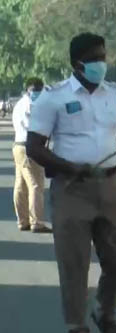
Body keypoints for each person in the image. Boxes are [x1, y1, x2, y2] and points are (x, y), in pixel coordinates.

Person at [26, 32, 116, 333]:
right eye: (94, 59)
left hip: (112, 187)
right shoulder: (53, 98)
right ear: (77, 63)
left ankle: (105, 311)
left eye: (103, 57)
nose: (100, 64)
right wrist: (69, 167)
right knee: (74, 265)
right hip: (71, 189)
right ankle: (77, 331)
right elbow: (34, 147)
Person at [11, 77, 51, 233]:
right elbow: (36, 128)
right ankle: (37, 222)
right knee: (35, 185)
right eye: (37, 90)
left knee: (20, 184)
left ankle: (23, 221)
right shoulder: (32, 105)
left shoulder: (20, 104)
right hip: (30, 147)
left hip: (18, 146)